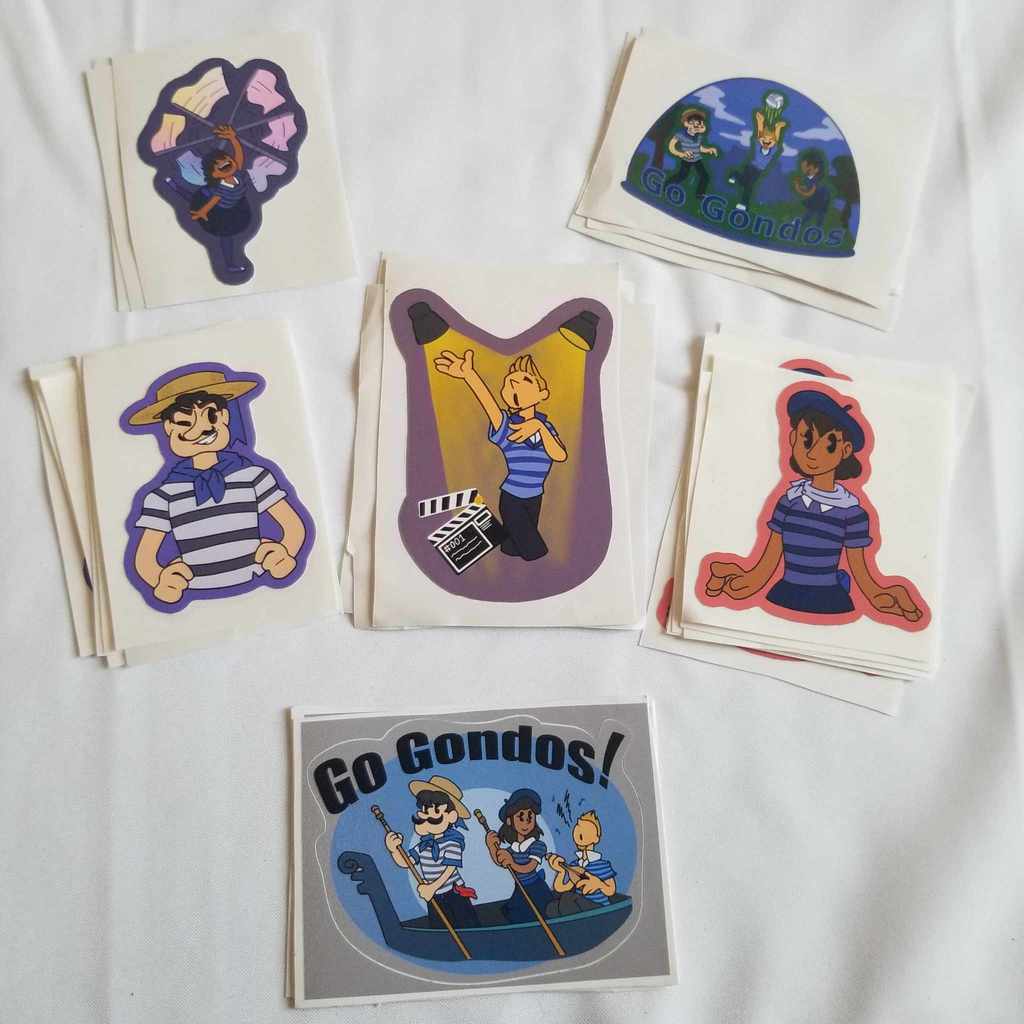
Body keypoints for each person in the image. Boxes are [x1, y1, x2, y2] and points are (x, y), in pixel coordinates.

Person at [703, 388, 925, 620]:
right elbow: (765, 567)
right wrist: (743, 585)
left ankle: (726, 572)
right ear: (792, 439)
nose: (813, 453)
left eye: (829, 445)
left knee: (739, 588)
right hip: (785, 593)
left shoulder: (852, 513)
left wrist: (883, 597)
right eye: (807, 440)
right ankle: (724, 571)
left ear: (845, 451)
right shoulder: (789, 501)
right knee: (739, 589)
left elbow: (863, 577)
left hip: (830, 599)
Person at [126, 369, 306, 605]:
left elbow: (293, 526)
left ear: (224, 417)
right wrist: (160, 580)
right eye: (184, 422)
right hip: (194, 588)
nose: (200, 429)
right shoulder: (163, 497)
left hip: (264, 590)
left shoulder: (254, 477)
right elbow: (144, 558)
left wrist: (284, 553)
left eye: (210, 416)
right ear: (168, 428)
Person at [432, 348, 566, 561]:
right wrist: (469, 375)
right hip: (512, 497)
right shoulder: (507, 426)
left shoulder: (546, 427)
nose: (514, 384)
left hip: (536, 496)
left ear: (542, 393)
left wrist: (539, 427)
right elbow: (489, 404)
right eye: (509, 382)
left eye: (525, 380)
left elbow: (559, 455)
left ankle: (487, 543)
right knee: (534, 551)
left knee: (512, 549)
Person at [383, 776, 480, 929]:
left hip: (453, 893)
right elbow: (406, 862)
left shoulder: (452, 842)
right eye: (424, 812)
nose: (425, 818)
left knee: (466, 925)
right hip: (433, 895)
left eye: (434, 813)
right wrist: (394, 850)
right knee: (440, 927)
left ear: (451, 816)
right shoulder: (424, 844)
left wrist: (432, 887)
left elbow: (450, 869)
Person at [188, 124, 253, 273]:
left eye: (228, 161)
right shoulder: (221, 189)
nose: (227, 165)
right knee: (226, 235)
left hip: (235, 206)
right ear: (215, 174)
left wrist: (233, 138)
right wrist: (202, 212)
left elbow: (239, 156)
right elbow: (214, 201)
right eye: (221, 167)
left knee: (196, 196)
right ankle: (229, 264)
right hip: (221, 213)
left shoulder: (237, 174)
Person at [484, 789, 555, 923]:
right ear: (509, 821)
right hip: (520, 889)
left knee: (541, 912)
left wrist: (512, 862)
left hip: (535, 888)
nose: (525, 822)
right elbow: (500, 861)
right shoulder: (512, 849)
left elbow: (529, 867)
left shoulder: (537, 846)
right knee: (514, 914)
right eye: (520, 818)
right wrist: (491, 847)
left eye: (530, 817)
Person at [545, 810, 617, 917]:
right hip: (580, 904)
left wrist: (598, 884)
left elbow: (611, 890)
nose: (579, 834)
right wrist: (561, 871)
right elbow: (561, 888)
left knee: (568, 898)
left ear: (596, 838)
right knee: (551, 907)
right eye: (578, 828)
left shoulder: (603, 865)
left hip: (598, 906)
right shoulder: (575, 864)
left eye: (586, 831)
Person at [726, 108, 787, 210]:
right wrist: (760, 121)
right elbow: (759, 134)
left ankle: (735, 175)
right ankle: (743, 201)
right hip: (751, 166)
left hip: (759, 170)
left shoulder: (773, 150)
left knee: (746, 184)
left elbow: (775, 140)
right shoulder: (758, 145)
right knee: (748, 185)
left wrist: (778, 127)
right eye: (764, 139)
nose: (766, 141)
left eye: (769, 140)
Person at [663, 107, 718, 198]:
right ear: (686, 123)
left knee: (705, 176)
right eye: (696, 123)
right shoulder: (681, 134)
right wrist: (681, 154)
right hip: (686, 159)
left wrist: (708, 150)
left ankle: (699, 194)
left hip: (697, 159)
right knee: (682, 176)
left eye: (701, 123)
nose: (699, 125)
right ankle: (666, 187)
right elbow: (671, 146)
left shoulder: (699, 136)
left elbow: (699, 147)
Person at [791, 149, 830, 226]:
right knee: (811, 212)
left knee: (816, 213)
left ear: (816, 169)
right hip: (816, 199)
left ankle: (815, 226)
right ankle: (802, 223)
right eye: (803, 168)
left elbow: (809, 193)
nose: (805, 170)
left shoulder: (815, 181)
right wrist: (801, 186)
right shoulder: (808, 178)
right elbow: (807, 188)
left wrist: (798, 187)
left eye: (808, 168)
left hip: (821, 200)